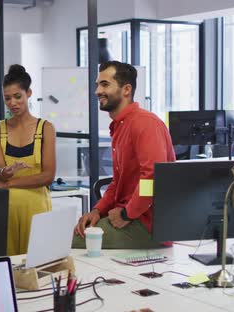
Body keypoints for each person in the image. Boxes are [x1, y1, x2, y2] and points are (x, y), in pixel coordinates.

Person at [73, 61, 176, 249]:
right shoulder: (120, 126)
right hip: (129, 217)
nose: (97, 91)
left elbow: (151, 179)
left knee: (74, 242)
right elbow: (117, 182)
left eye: (105, 84)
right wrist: (98, 210)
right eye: (97, 85)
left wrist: (127, 214)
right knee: (78, 233)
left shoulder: (144, 124)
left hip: (147, 225)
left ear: (126, 89)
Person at [0, 64, 56, 256]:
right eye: (7, 98)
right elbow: (0, 173)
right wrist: (5, 174)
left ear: (29, 93)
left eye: (18, 96)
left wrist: (9, 182)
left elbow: (48, 176)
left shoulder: (46, 129)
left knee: (38, 266)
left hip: (36, 209)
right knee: (8, 266)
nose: (13, 103)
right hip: (5, 209)